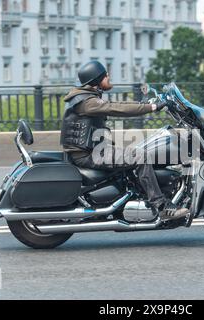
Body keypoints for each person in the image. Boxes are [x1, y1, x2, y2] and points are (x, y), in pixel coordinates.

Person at [61, 61, 189, 221]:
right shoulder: (87, 102)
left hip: (94, 151)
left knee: (135, 151)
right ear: (96, 80)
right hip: (89, 155)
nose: (108, 77)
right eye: (105, 75)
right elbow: (116, 108)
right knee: (140, 156)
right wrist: (151, 108)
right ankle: (161, 206)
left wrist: (146, 104)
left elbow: (118, 104)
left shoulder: (86, 99)